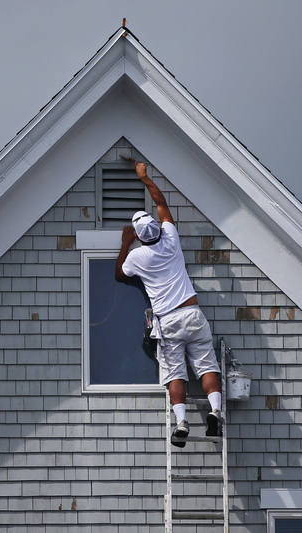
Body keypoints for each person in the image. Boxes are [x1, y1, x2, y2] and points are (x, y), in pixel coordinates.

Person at [115, 161, 222, 447]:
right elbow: (160, 202)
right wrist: (144, 177)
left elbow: (119, 276)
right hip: (192, 312)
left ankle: (182, 423)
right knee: (206, 365)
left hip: (169, 321)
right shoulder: (171, 238)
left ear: (138, 236)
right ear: (159, 230)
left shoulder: (137, 257)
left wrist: (125, 243)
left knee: (176, 372)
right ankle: (215, 411)